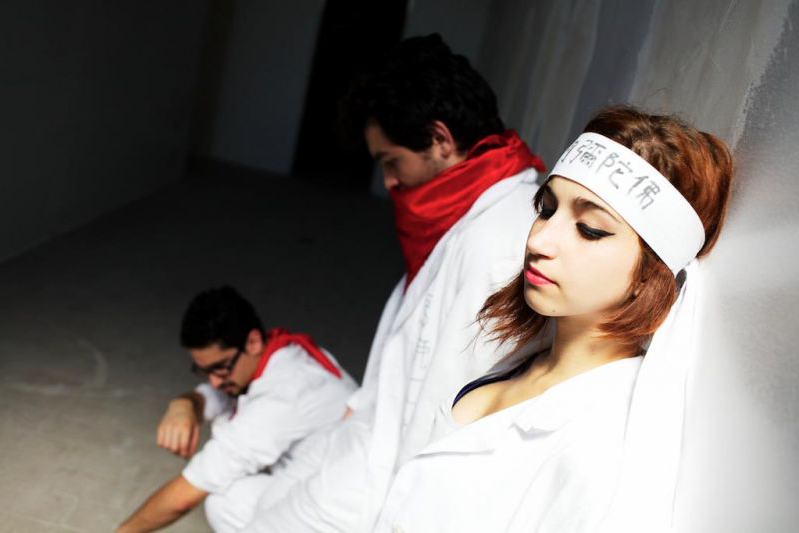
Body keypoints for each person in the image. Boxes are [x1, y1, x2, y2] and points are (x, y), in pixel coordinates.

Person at [375, 106, 733, 532]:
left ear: (649, 274)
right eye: (546, 209)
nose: (539, 240)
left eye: (590, 229)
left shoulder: (601, 451)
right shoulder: (531, 356)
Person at [242, 34, 546, 532]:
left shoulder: (496, 242)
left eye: (391, 161)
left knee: (260, 522)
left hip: (390, 480)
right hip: (370, 431)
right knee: (239, 505)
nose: (388, 182)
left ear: (440, 139)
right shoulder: (464, 211)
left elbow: (453, 415)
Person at [116, 286, 356, 533]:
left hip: (342, 516)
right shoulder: (283, 354)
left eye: (220, 368)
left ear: (253, 342)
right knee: (233, 497)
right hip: (327, 489)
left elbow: (185, 496)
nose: (214, 382)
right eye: (204, 371)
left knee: (226, 500)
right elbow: (225, 397)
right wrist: (186, 403)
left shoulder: (287, 394)